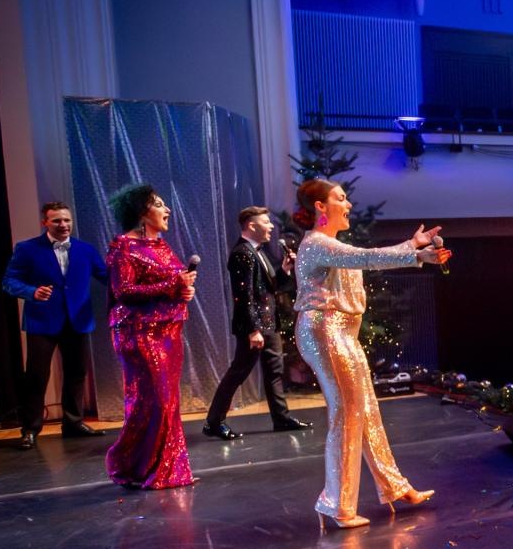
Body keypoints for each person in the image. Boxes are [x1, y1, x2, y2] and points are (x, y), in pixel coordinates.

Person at [292, 179, 449, 528]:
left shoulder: (329, 245)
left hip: (343, 332)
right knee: (346, 414)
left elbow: (360, 262)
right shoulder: (317, 244)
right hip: (325, 330)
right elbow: (365, 258)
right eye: (341, 198)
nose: (348, 204)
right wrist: (412, 247)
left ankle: (394, 486)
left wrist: (419, 255)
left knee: (365, 409)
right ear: (321, 206)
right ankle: (336, 505)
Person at [102, 184, 198, 489]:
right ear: (143, 212)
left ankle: (164, 468)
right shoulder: (124, 248)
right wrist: (171, 287)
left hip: (169, 331)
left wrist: (185, 289)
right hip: (138, 333)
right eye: (159, 205)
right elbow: (124, 292)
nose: (167, 210)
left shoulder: (162, 246)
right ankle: (134, 465)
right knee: (153, 400)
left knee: (168, 400)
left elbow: (173, 284)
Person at [1, 200, 109, 449]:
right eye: (57, 220)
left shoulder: (85, 250)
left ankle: (73, 422)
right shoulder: (28, 249)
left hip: (77, 320)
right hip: (43, 321)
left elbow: (107, 277)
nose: (63, 225)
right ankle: (30, 428)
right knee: (37, 376)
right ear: (45, 222)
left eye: (67, 220)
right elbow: (9, 281)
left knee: (76, 373)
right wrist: (31, 291)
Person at [203, 206, 311, 440]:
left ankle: (281, 418)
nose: (271, 226)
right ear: (252, 225)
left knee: (274, 371)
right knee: (238, 373)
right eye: (266, 222)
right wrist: (253, 330)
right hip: (255, 326)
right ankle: (214, 421)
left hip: (268, 323)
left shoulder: (258, 252)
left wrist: (284, 270)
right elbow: (244, 296)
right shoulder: (243, 252)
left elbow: (269, 289)